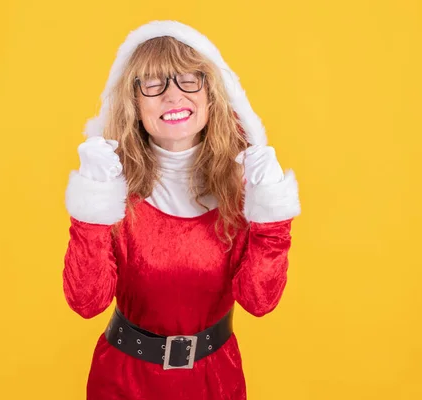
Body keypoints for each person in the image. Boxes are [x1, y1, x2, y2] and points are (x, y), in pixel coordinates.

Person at [62, 20, 301, 399]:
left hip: (214, 383)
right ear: (134, 101)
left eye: (189, 79)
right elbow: (86, 302)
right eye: (153, 83)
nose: (173, 97)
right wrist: (92, 206)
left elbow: (260, 301)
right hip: (123, 383)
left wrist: (271, 216)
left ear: (212, 94)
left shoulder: (246, 188)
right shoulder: (110, 183)